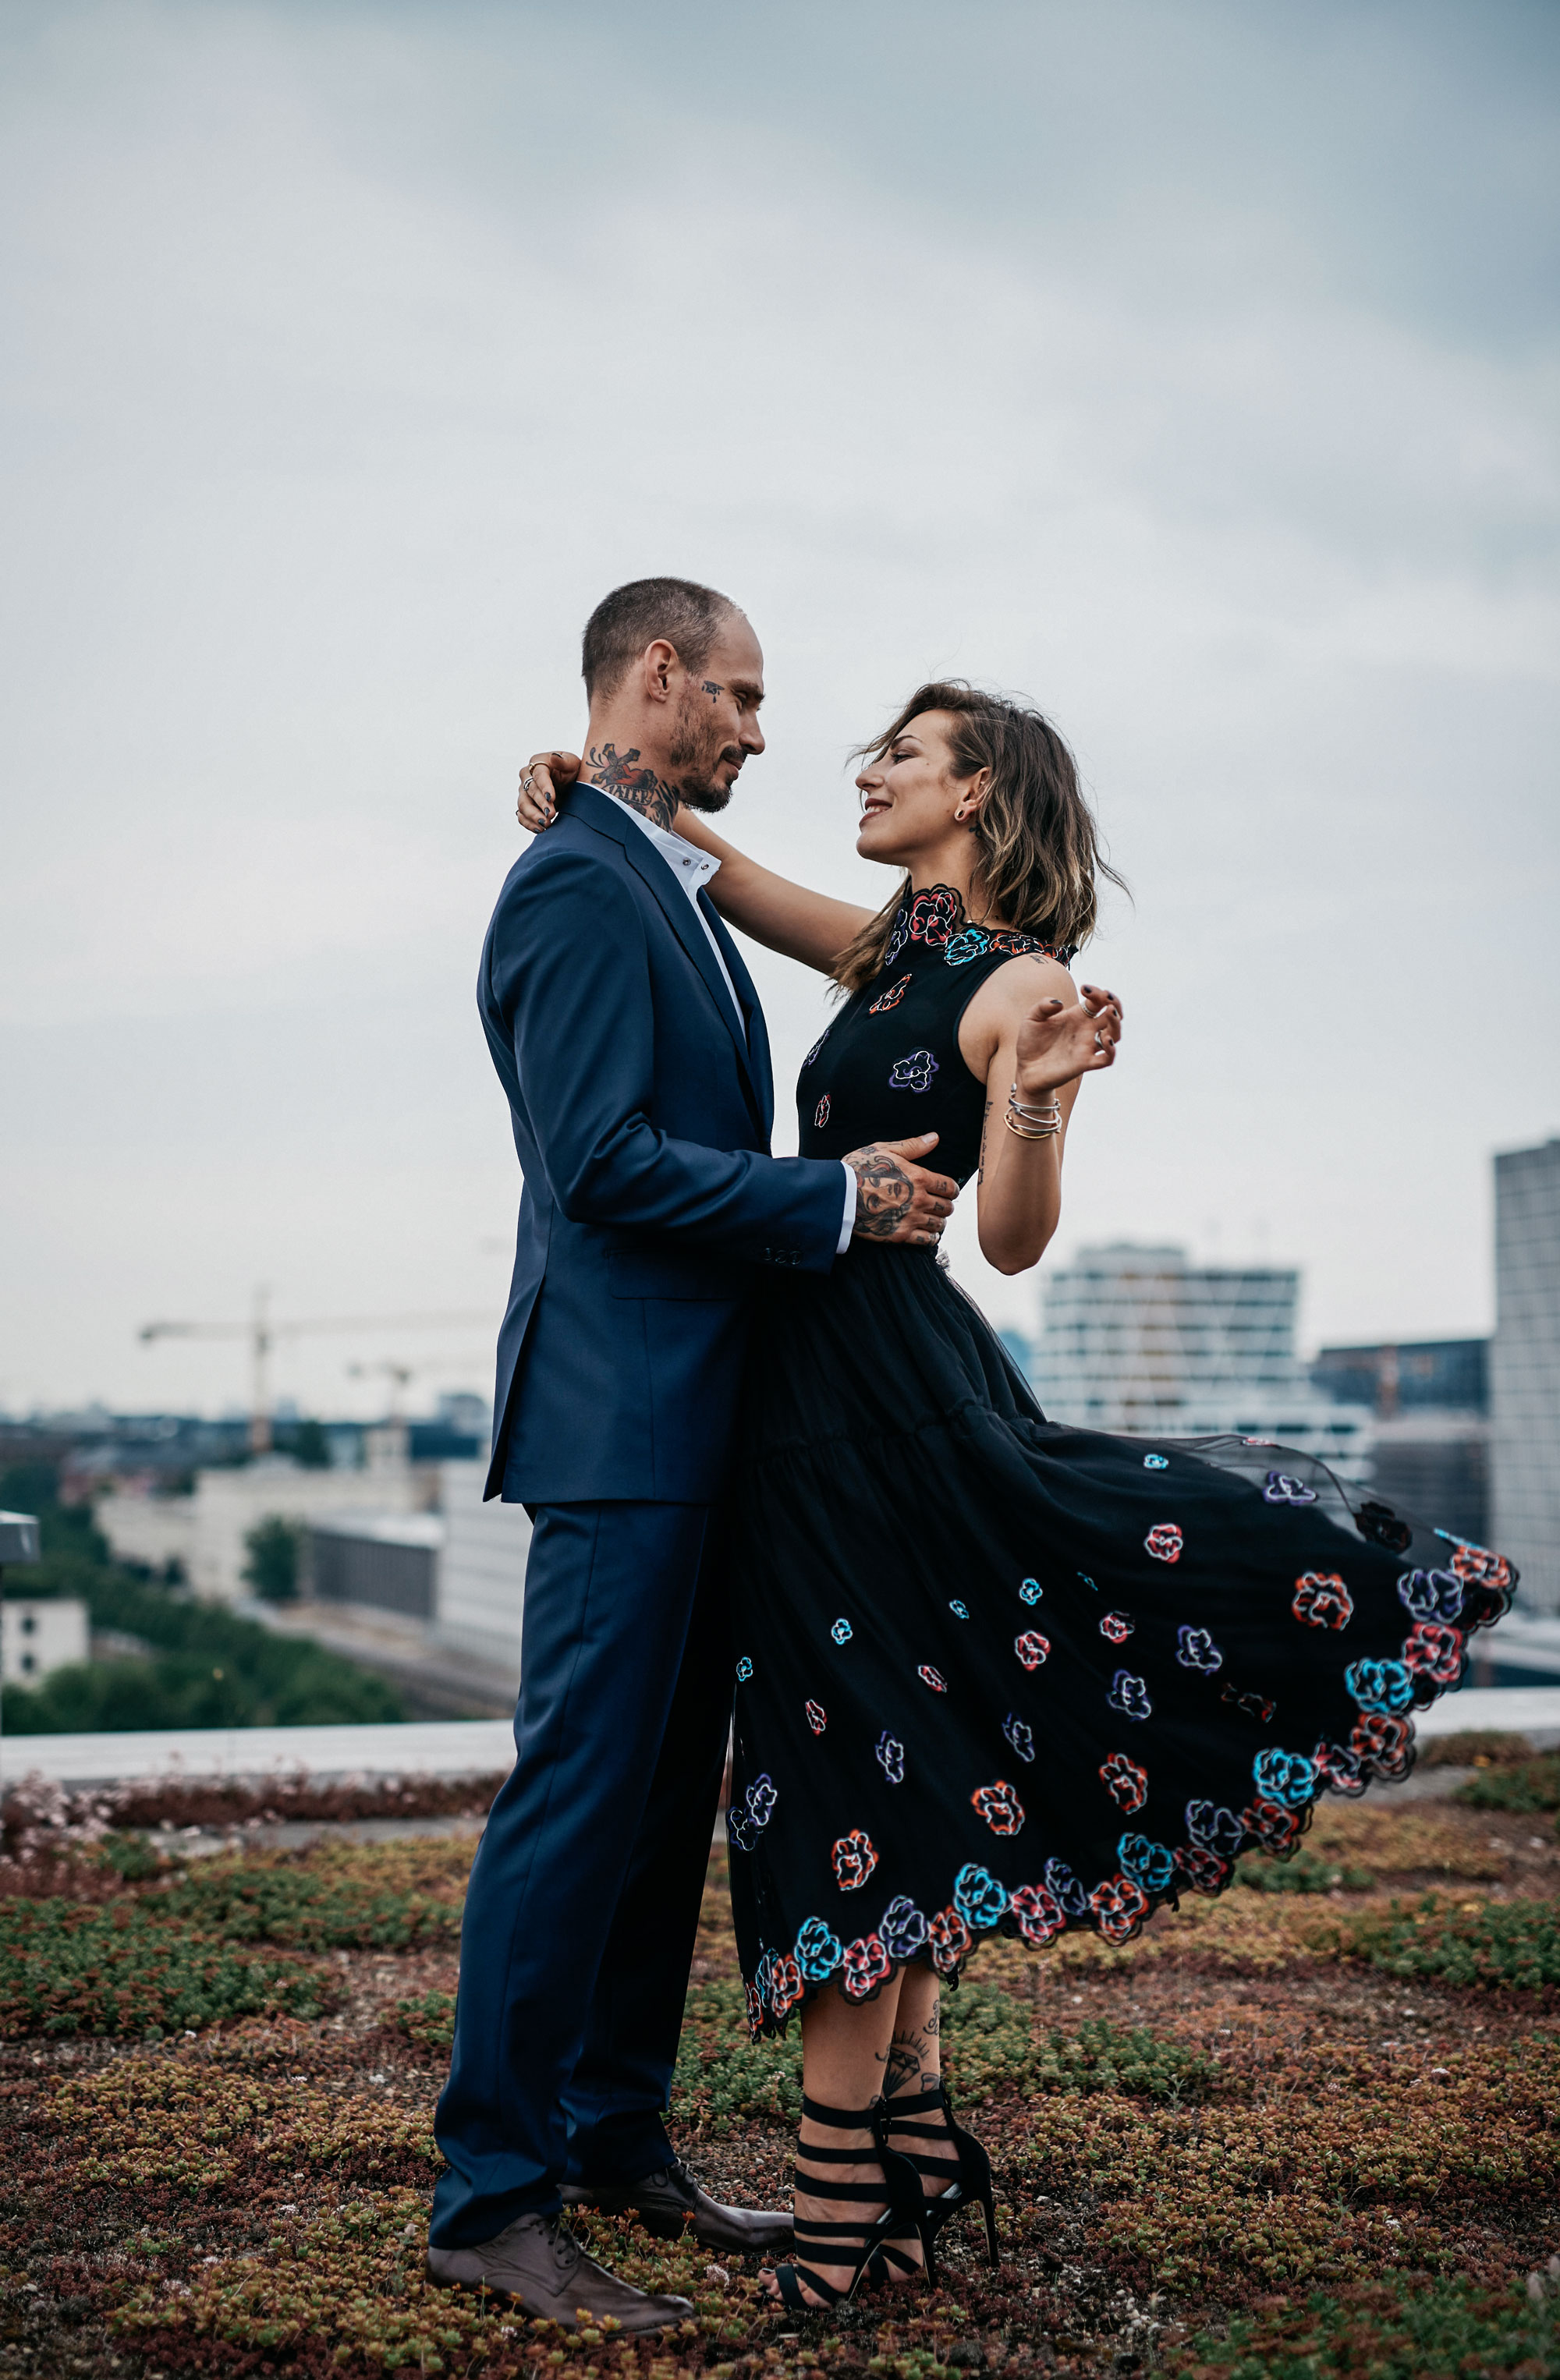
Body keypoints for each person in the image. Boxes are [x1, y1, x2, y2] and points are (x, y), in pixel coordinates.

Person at [516, 683, 1516, 2311]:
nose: (864, 766)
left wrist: (1040, 1088)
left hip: (885, 1418)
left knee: (857, 1787)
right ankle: (901, 2197)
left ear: (980, 795)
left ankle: (842, 2232)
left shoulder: (1020, 981)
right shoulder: (884, 951)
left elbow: (1014, 1236)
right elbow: (704, 859)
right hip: (814, 1407)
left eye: (901, 754)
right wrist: (585, 786)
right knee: (887, 1766)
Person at [425, 579, 959, 2335]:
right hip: (615, 1425)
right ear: (651, 672)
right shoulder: (577, 888)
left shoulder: (646, 871)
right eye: (732, 692)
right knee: (576, 1798)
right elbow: (600, 1162)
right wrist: (837, 1198)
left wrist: (600, 790)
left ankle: (608, 2135)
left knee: (659, 1809)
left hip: (698, 1429)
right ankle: (488, 2196)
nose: (753, 727)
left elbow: (857, 949)